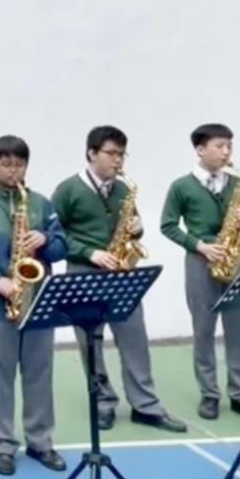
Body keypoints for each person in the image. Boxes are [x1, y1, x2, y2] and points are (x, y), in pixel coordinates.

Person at [50, 125, 187, 433]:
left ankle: (145, 405)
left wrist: (137, 229)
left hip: (121, 272)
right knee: (91, 344)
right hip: (83, 274)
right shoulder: (67, 189)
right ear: (91, 154)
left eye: (122, 154)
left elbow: (130, 227)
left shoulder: (123, 189)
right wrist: (90, 252)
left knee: (135, 338)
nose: (118, 160)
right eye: (111, 153)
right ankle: (103, 403)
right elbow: (53, 236)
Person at [0, 135, 69, 476]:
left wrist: (46, 239)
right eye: (6, 164)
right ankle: (4, 444)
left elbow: (62, 247)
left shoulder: (42, 204)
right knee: (0, 376)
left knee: (40, 373)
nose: (13, 171)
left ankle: (41, 442)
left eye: (19, 164)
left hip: (38, 301)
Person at [160, 123, 240, 422]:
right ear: (200, 149)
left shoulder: (238, 182)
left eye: (229, 146)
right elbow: (167, 225)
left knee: (239, 331)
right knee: (203, 331)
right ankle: (209, 394)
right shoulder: (181, 186)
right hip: (200, 262)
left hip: (236, 258)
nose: (226, 152)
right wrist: (200, 246)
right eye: (220, 146)